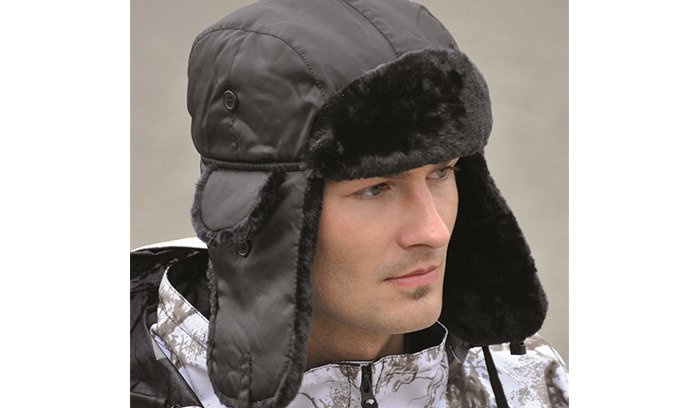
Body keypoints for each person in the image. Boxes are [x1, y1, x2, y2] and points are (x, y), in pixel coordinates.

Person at [130, 0, 569, 407]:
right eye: (375, 188)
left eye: (441, 172)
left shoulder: (526, 381)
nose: (434, 231)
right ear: (259, 218)